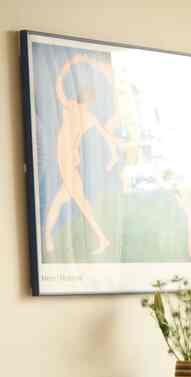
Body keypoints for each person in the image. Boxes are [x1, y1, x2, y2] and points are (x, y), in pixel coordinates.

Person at [44, 53, 120, 256]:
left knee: (67, 200)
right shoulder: (78, 111)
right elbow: (59, 88)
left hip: (68, 158)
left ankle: (50, 237)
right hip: (67, 158)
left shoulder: (79, 112)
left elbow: (59, 87)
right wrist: (69, 64)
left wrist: (69, 64)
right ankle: (100, 238)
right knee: (70, 200)